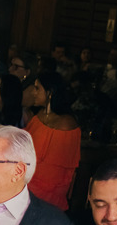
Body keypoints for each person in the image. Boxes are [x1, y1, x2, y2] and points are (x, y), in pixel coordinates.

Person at [25, 71, 80, 211]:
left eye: (37, 88)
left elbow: (54, 174)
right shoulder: (39, 115)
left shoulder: (65, 124)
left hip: (47, 193)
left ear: (50, 93)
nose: (33, 92)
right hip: (29, 180)